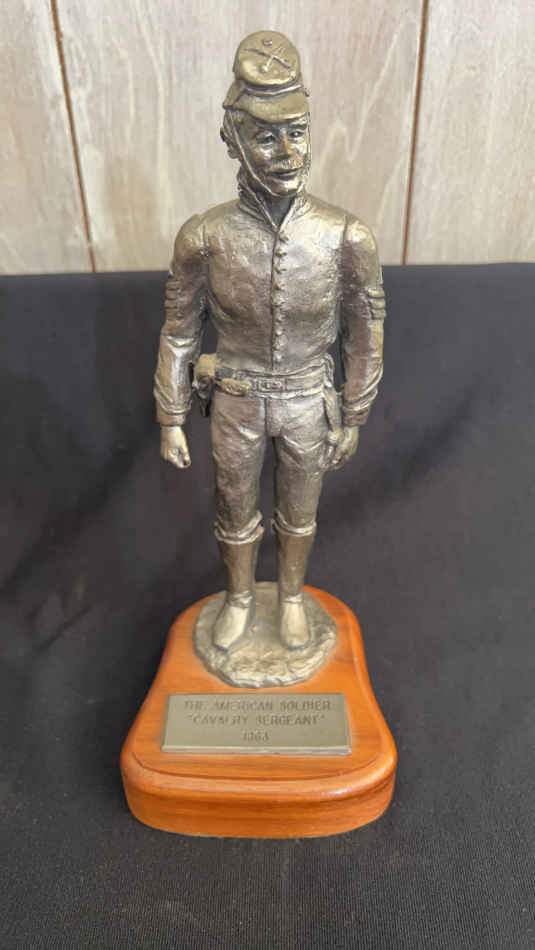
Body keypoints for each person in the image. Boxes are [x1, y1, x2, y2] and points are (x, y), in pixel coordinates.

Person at [154, 31, 386, 653]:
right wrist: (171, 417)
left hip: (309, 400)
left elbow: (365, 331)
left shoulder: (345, 236)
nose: (287, 153)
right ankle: (237, 598)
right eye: (265, 137)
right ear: (233, 140)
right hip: (235, 400)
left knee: (301, 511)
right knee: (233, 506)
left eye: (297, 133)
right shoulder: (205, 236)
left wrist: (355, 413)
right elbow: (179, 330)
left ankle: (289, 598)